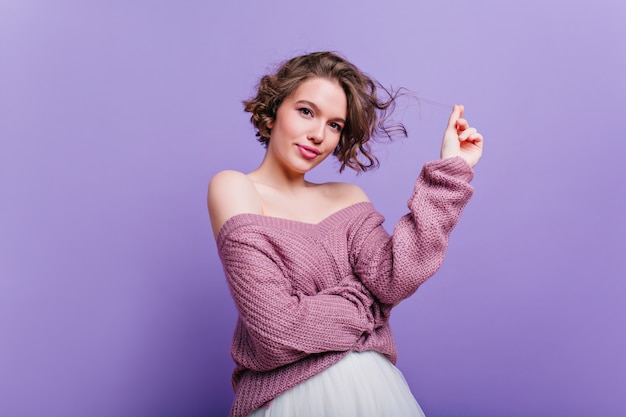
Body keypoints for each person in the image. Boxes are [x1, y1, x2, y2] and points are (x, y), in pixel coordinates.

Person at [207, 51, 483, 417]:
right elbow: (277, 330)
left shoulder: (348, 198)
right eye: (306, 111)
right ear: (273, 112)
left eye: (335, 125)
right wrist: (366, 303)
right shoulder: (235, 188)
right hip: (291, 401)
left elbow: (392, 280)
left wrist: (452, 171)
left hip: (378, 394)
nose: (318, 135)